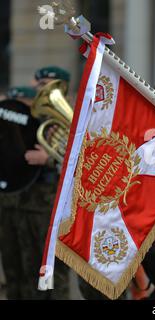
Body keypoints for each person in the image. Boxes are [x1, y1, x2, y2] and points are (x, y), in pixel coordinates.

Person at [0, 66, 71, 300]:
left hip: (52, 203)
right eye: (39, 86)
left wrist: (48, 158)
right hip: (27, 199)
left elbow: (82, 156)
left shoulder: (70, 118)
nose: (41, 90)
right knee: (27, 268)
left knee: (53, 272)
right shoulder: (33, 119)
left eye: (47, 86)